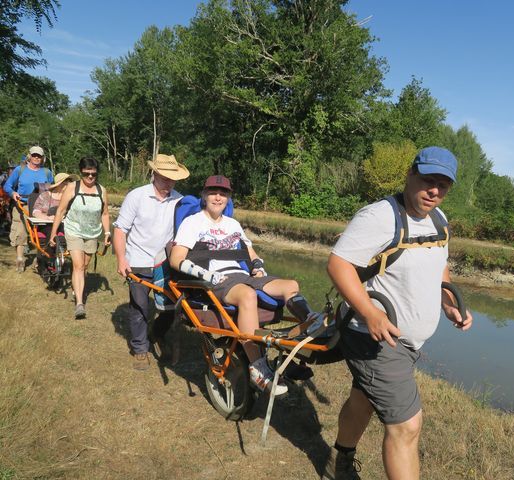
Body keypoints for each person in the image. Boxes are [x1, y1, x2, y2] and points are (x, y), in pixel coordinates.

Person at [322, 147, 473, 480]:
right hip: (373, 337)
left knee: (362, 398)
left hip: (406, 342)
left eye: (443, 185)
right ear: (410, 174)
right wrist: (370, 313)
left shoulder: (439, 219)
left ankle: (338, 462)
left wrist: (448, 302)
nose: (435, 191)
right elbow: (339, 264)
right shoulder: (380, 216)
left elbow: (439, 266)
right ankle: (340, 463)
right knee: (407, 426)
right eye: (428, 180)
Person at [169, 175, 320, 395]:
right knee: (248, 295)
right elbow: (176, 259)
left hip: (243, 275)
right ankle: (258, 369)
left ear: (228, 198)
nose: (217, 197)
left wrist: (258, 266)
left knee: (291, 285)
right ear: (204, 195)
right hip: (217, 280)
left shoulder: (233, 224)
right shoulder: (192, 223)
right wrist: (207, 275)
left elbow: (250, 253)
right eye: (212, 192)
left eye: (223, 193)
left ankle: (310, 329)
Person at [113, 154, 190, 371]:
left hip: (165, 264)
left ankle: (156, 333)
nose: (169, 182)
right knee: (140, 307)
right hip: (137, 259)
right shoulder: (136, 196)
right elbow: (120, 229)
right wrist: (121, 258)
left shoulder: (179, 201)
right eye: (165, 177)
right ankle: (140, 349)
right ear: (154, 174)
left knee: (167, 308)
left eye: (172, 178)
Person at [49, 158, 111, 320]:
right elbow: (61, 211)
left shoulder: (101, 190)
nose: (90, 177)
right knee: (77, 265)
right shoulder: (71, 188)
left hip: (92, 233)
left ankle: (77, 287)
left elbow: (104, 214)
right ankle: (79, 304)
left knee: (84, 266)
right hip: (73, 230)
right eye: (86, 174)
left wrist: (107, 233)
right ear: (81, 172)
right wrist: (53, 233)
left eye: (94, 174)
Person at [3, 146, 53, 272]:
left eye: (39, 156)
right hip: (22, 205)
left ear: (42, 158)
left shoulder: (46, 172)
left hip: (42, 206)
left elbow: (53, 188)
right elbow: (7, 186)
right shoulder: (20, 170)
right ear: (29, 156)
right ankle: (20, 259)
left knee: (40, 233)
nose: (36, 157)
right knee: (20, 232)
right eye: (34, 155)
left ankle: (39, 258)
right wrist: (13, 193)